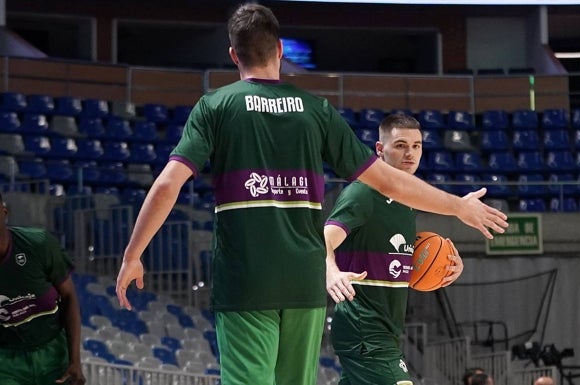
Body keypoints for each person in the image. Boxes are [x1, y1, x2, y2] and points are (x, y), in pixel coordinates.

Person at [115, 3, 508, 385]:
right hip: (304, 281)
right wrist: (457, 206)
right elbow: (387, 181)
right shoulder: (315, 109)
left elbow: (168, 183)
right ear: (281, 50)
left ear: (233, 54)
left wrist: (133, 255)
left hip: (247, 278)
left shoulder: (215, 106)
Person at [324, 114, 465, 385]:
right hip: (363, 327)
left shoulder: (407, 201)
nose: (410, 153)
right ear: (380, 150)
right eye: (400, 145)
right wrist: (331, 269)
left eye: (416, 145)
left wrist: (446, 265)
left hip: (386, 329)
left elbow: (395, 263)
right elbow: (324, 239)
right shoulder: (363, 193)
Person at [0, 192, 85, 385]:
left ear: (4, 213)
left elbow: (69, 296)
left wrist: (75, 361)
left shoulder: (39, 244)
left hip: (53, 351)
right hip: (5, 360)